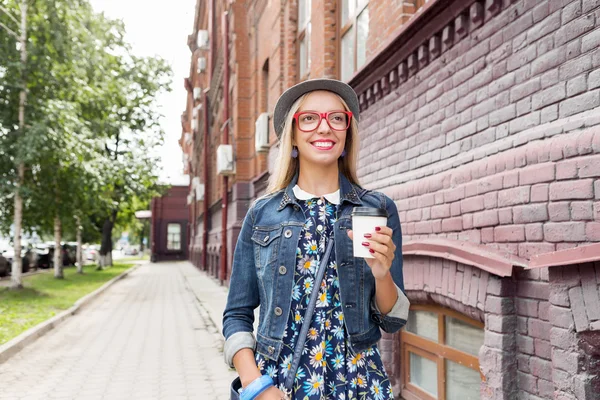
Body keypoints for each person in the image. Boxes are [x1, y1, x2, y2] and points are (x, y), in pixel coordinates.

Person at [222, 78, 409, 400]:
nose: (324, 128)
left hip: (358, 381)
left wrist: (382, 275)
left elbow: (392, 320)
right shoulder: (262, 215)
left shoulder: (376, 208)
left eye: (337, 118)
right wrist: (256, 386)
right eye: (309, 118)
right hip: (279, 383)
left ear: (347, 134)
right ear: (292, 135)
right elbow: (236, 314)